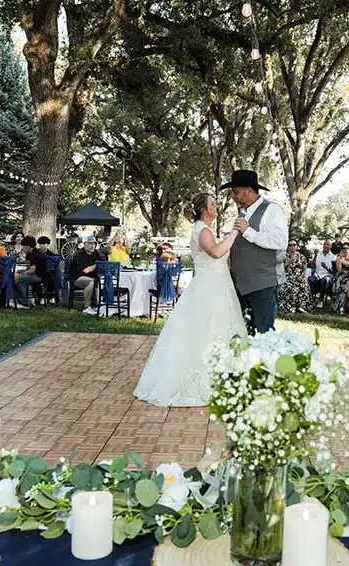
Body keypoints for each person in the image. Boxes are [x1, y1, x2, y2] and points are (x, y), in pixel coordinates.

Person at [134, 192, 246, 406]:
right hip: (209, 287)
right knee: (206, 329)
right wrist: (234, 233)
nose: (216, 206)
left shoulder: (204, 229)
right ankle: (203, 380)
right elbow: (215, 252)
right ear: (205, 209)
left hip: (217, 284)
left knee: (218, 327)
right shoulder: (202, 230)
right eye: (213, 204)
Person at [224, 169, 289, 334]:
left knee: (264, 334)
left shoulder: (272, 210)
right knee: (243, 333)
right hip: (241, 286)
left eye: (236, 192)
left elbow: (280, 242)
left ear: (248, 191)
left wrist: (248, 232)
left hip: (263, 285)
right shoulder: (241, 214)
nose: (233, 196)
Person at [69, 235, 99, 315]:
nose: (92, 246)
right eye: (90, 243)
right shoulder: (79, 255)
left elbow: (103, 262)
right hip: (77, 278)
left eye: (93, 244)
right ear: (84, 244)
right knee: (90, 282)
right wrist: (97, 265)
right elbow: (86, 270)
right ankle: (86, 307)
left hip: (91, 277)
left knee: (102, 281)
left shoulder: (95, 253)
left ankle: (97, 305)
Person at [279, 241, 313, 314]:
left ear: (296, 247)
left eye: (294, 245)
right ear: (288, 247)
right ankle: (290, 307)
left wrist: (301, 276)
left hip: (298, 277)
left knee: (303, 285)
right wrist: (289, 262)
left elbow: (304, 269)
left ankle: (302, 307)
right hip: (287, 277)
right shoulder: (284, 256)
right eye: (290, 245)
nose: (292, 247)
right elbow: (280, 268)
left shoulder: (301, 257)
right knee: (288, 287)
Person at [14, 236, 46, 307]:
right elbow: (30, 263)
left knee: (18, 279)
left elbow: (32, 270)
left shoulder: (35, 254)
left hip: (39, 276)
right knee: (16, 277)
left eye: (24, 246)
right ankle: (21, 300)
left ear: (28, 246)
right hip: (37, 274)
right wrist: (23, 261)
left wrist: (19, 274)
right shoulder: (32, 253)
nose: (23, 248)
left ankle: (25, 302)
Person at [333, 242, 349, 313]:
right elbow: (339, 270)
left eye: (347, 248)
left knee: (348, 281)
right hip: (342, 276)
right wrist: (339, 260)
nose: (345, 250)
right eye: (343, 248)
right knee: (345, 281)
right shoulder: (339, 258)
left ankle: (345, 305)